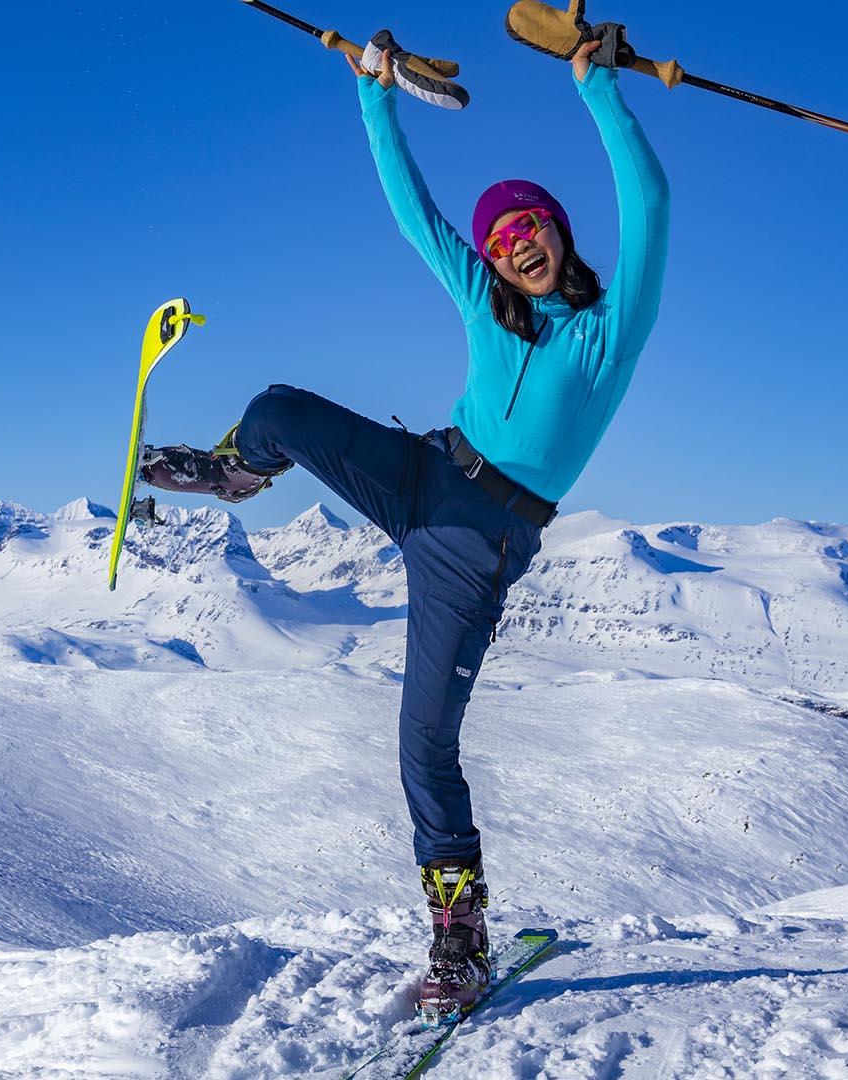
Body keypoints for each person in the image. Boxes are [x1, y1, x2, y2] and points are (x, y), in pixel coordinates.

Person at [139, 33, 669, 1023]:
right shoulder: (489, 304)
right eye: (503, 239)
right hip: (423, 469)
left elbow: (651, 207)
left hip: (478, 546)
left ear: (560, 237)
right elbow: (421, 221)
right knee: (276, 407)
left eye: (531, 230)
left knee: (423, 748)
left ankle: (459, 940)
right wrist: (376, 98)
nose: (516, 246)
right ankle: (239, 475)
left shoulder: (607, 335)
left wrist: (597, 90)